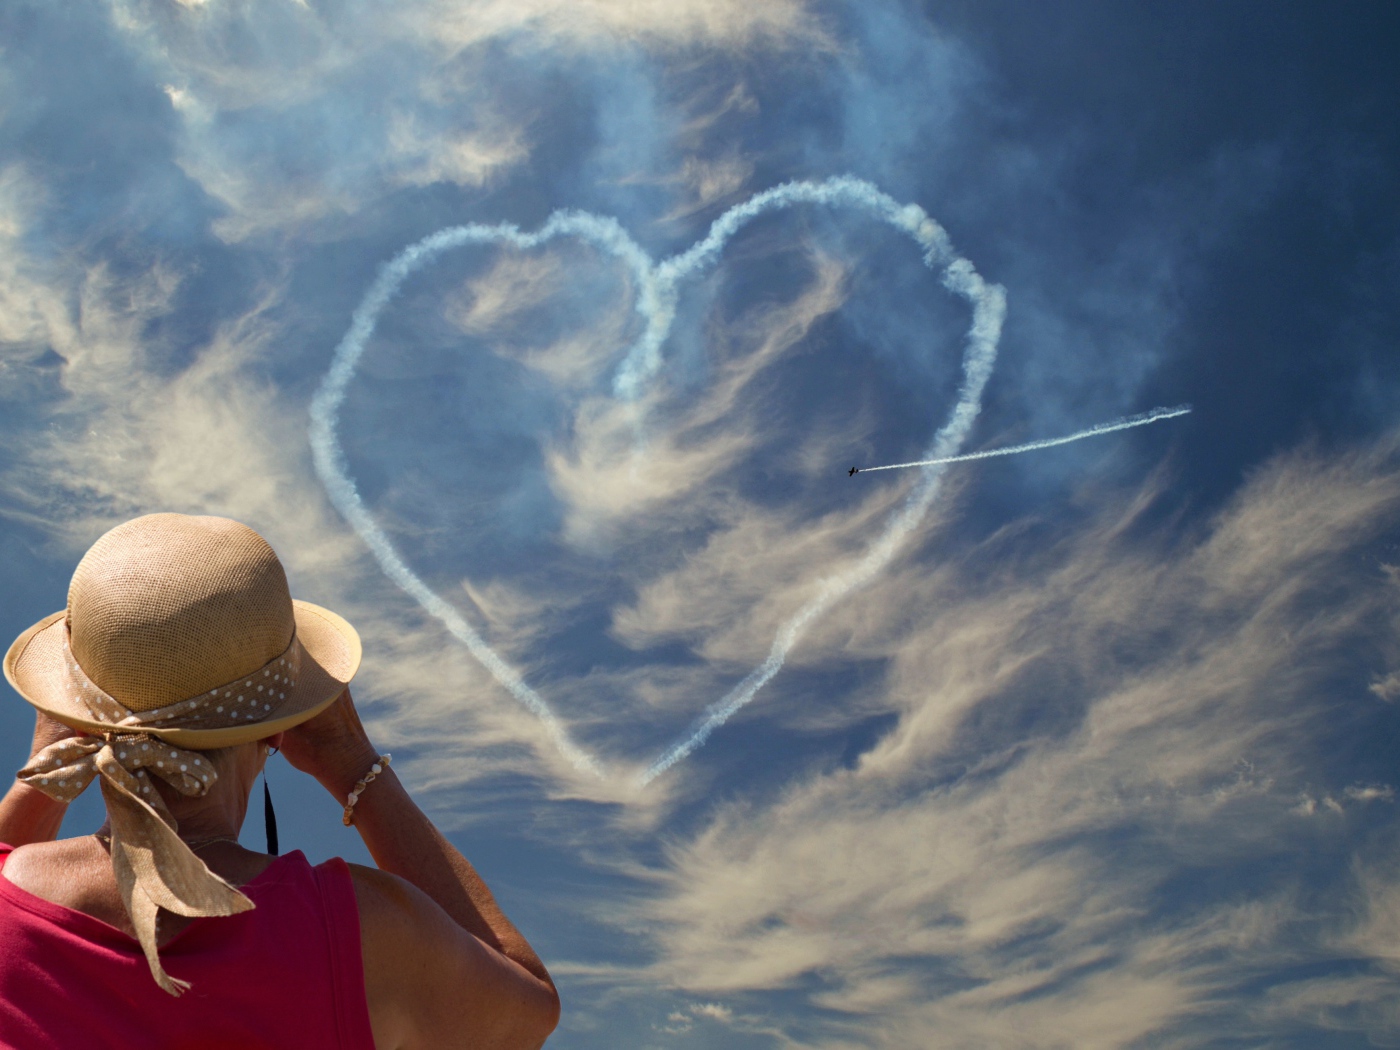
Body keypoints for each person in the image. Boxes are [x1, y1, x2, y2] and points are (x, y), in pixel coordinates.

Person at [0, 513, 560, 1049]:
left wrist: (42, 772)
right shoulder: (369, 935)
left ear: (75, 720)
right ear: (277, 733)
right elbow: (528, 1011)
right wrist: (352, 762)